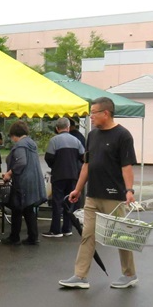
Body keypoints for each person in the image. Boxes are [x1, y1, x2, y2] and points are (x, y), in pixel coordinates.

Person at [58, 97, 138, 290]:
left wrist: (129, 190)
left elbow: (126, 166)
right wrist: (77, 189)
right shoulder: (92, 135)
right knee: (88, 235)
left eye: (93, 112)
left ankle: (129, 274)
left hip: (114, 196)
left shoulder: (123, 135)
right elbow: (87, 164)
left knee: (120, 236)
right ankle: (80, 276)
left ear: (106, 113)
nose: (90, 116)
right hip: (93, 194)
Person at [2, 121, 46, 245]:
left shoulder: (20, 145)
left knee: (17, 208)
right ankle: (33, 236)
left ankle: (14, 237)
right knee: (28, 208)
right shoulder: (32, 144)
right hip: (34, 180)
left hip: (23, 182)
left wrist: (9, 173)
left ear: (14, 134)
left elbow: (21, 162)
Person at [44, 117, 85, 238]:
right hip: (73, 175)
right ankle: (67, 228)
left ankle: (56, 230)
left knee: (57, 202)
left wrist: (54, 166)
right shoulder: (76, 141)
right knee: (69, 201)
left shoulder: (54, 141)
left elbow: (48, 158)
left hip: (58, 175)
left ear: (57, 128)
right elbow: (83, 157)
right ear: (68, 127)